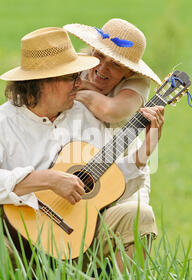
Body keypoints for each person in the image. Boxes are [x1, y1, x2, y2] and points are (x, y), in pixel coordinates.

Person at [0, 27, 164, 280]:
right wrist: (45, 179)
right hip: (18, 241)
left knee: (139, 215)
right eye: (71, 77)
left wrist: (146, 149)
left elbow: (108, 179)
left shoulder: (87, 114)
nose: (81, 81)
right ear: (43, 81)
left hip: (80, 238)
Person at [63, 18, 160, 206]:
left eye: (116, 64)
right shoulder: (76, 64)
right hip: (75, 166)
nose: (103, 68)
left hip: (123, 167)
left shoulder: (137, 83)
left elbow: (109, 111)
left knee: (133, 218)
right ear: (92, 50)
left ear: (129, 72)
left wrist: (78, 91)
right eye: (100, 55)